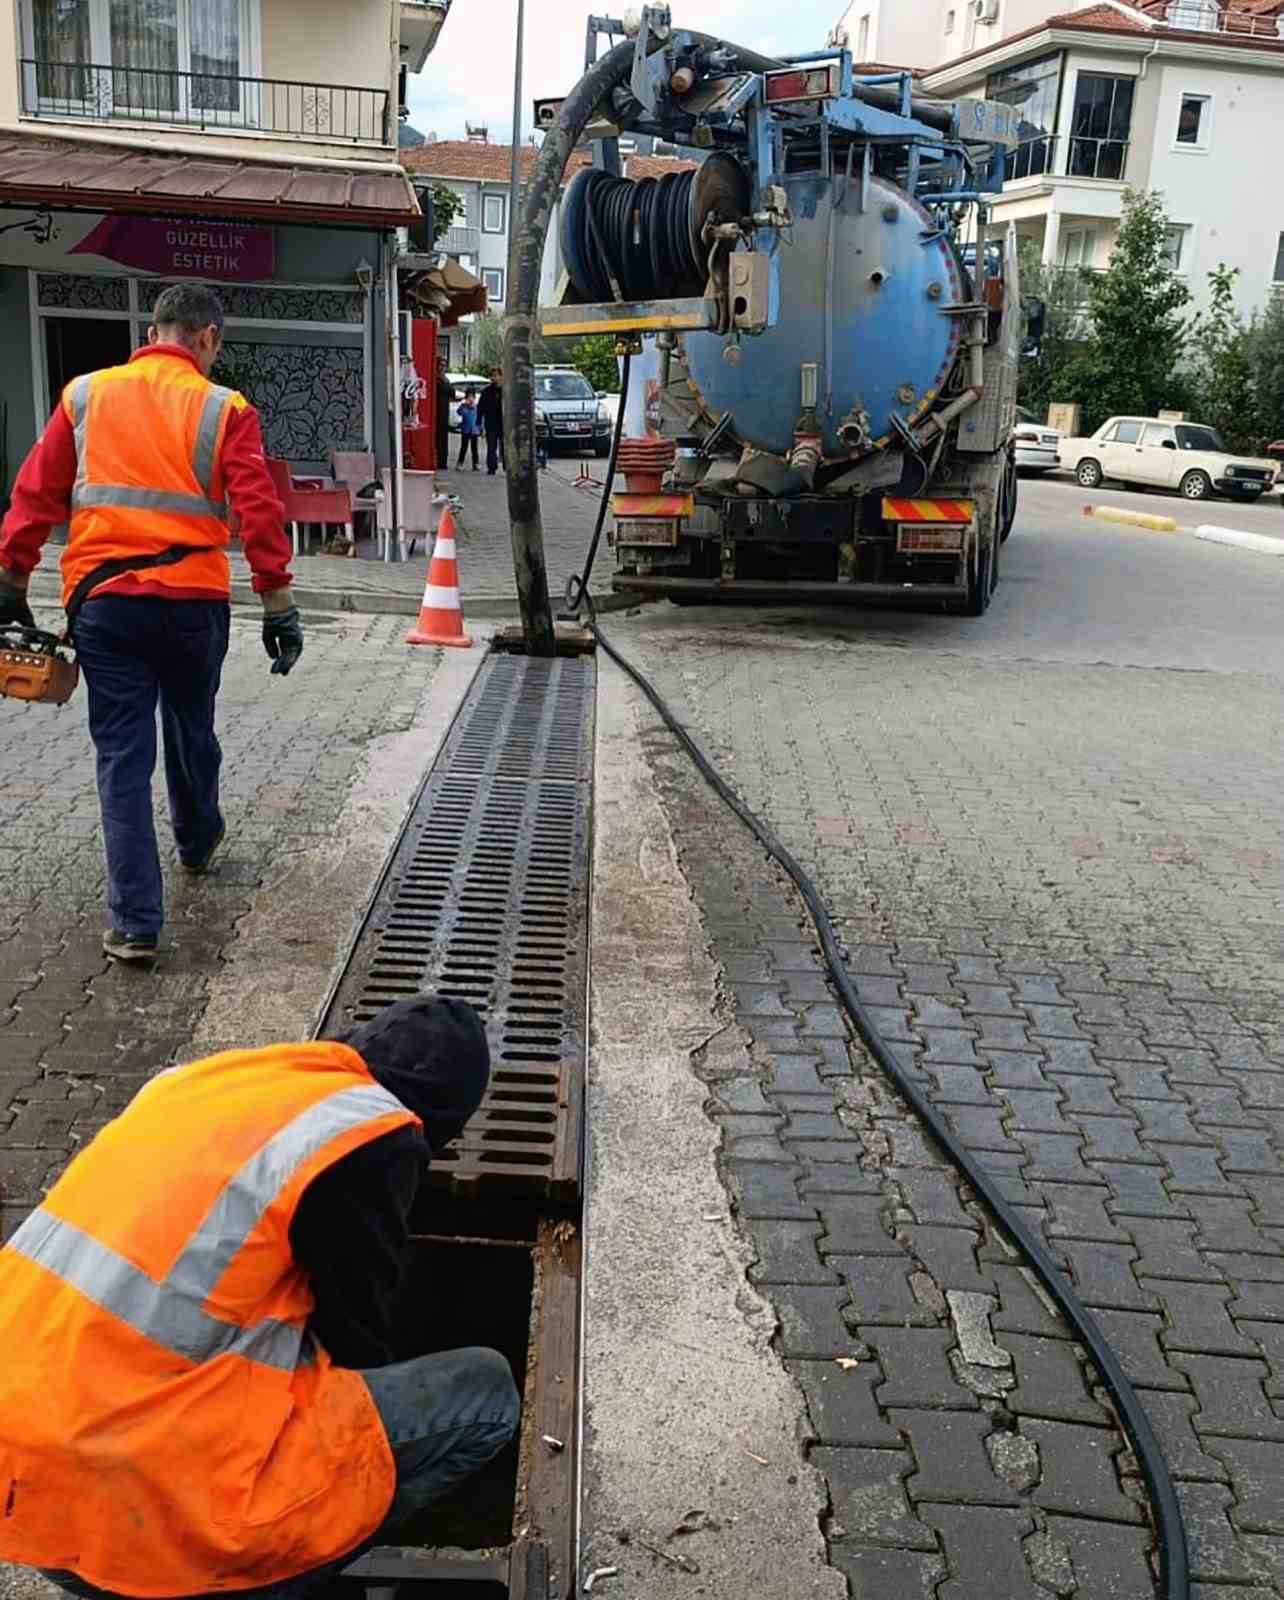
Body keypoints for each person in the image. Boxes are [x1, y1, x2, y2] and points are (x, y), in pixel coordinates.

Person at [0, 994, 520, 1600]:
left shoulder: (205, 1085)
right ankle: (277, 1572)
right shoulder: (373, 1137)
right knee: (488, 1395)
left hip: (30, 1503)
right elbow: (357, 1340)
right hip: (145, 1512)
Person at [0, 283, 301, 966]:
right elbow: (258, 510)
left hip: (106, 605)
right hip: (194, 603)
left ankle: (135, 923)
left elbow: (35, 492)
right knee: (192, 729)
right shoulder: (226, 408)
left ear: (153, 332)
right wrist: (278, 606)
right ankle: (196, 839)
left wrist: (12, 580)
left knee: (122, 758)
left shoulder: (86, 395)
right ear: (208, 338)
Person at [477, 367, 504, 475]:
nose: (494, 378)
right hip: (490, 422)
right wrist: (479, 422)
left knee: (505, 446)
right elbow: (480, 407)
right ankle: (491, 467)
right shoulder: (486, 391)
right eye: (492, 376)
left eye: (496, 375)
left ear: (501, 376)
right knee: (491, 446)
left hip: (503, 422)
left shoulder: (505, 390)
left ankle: (507, 465)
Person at [435, 355, 453, 473]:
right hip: (436, 411)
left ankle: (443, 461)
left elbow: (452, 394)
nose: (442, 367)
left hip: (444, 411)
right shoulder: (436, 379)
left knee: (443, 437)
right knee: (438, 437)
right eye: (440, 365)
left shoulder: (446, 380)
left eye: (444, 365)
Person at [456, 388, 481, 470]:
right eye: (469, 397)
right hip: (465, 429)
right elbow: (460, 413)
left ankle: (476, 463)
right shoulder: (464, 406)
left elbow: (480, 417)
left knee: (474, 448)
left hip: (474, 430)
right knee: (464, 447)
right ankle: (460, 463)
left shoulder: (476, 407)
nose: (470, 399)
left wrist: (481, 429)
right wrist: (465, 406)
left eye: (472, 397)